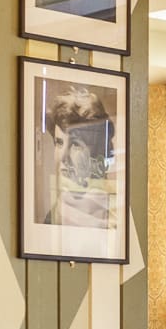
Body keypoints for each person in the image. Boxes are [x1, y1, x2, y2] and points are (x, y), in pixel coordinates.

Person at [44, 86, 118, 230]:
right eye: (59, 143)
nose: (63, 157)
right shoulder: (51, 220)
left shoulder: (117, 220)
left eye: (76, 145)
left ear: (97, 153)